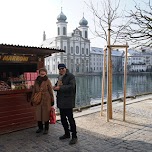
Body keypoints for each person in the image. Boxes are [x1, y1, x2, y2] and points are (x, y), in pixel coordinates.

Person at [53, 63, 77, 145]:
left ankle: (74, 136)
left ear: (65, 68)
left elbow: (72, 87)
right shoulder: (59, 77)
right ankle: (67, 134)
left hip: (68, 101)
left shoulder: (71, 76)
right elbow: (58, 86)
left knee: (70, 119)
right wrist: (55, 87)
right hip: (61, 101)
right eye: (60, 69)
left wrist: (60, 88)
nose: (61, 70)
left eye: (63, 68)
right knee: (63, 119)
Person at [31, 68, 54, 134]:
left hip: (46, 99)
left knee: (46, 113)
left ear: (46, 73)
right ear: (39, 73)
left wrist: (52, 100)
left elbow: (50, 90)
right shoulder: (36, 80)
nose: (42, 73)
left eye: (44, 72)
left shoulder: (48, 80)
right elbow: (34, 90)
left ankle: (46, 128)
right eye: (41, 72)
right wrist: (32, 99)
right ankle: (40, 127)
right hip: (38, 98)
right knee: (38, 114)